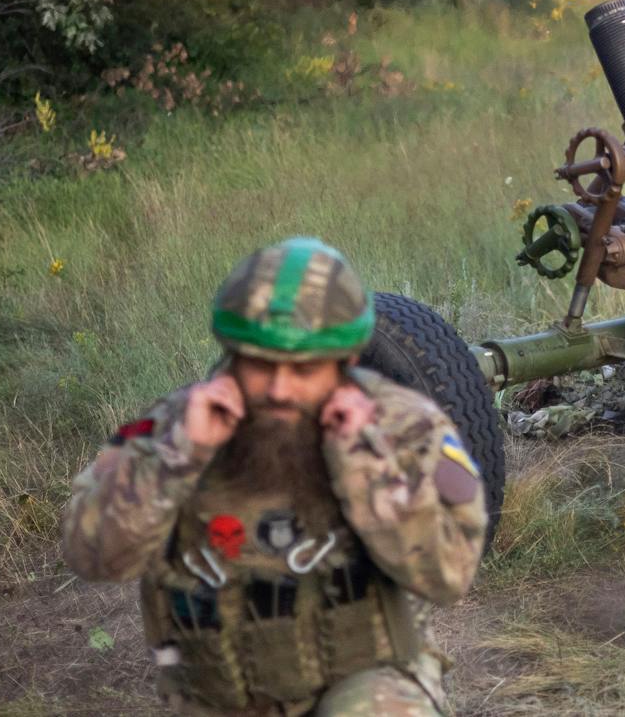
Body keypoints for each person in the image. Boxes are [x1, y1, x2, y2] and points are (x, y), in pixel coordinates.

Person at [62, 237, 486, 715]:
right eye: (261, 365)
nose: (281, 390)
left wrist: (365, 471)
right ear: (233, 353)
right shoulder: (172, 428)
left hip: (369, 681)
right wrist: (178, 457)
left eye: (304, 369)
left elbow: (450, 576)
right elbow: (91, 558)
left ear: (345, 362)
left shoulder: (402, 426)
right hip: (219, 695)